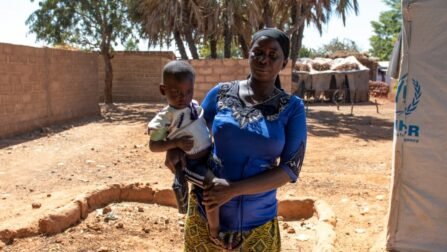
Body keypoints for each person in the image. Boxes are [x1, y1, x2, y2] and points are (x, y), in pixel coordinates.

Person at [165, 28, 307, 251]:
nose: (264, 60)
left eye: (273, 55)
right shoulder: (220, 94)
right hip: (205, 218)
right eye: (258, 52)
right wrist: (174, 150)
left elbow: (290, 169)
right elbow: (191, 131)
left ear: (285, 62)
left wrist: (232, 189)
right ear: (248, 53)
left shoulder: (292, 108)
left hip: (257, 227)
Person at [148, 60, 228, 239]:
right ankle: (215, 230)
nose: (182, 97)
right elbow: (153, 146)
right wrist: (175, 144)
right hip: (191, 164)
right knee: (213, 186)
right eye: (176, 92)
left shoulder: (193, 105)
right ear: (163, 90)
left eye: (188, 91)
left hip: (208, 155)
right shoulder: (165, 117)